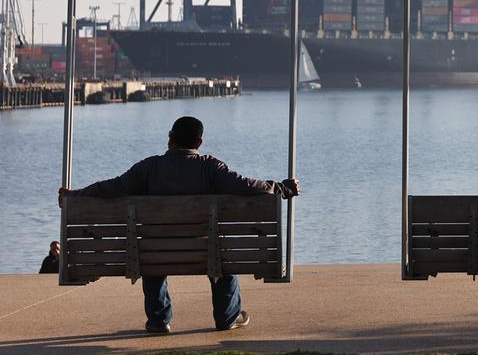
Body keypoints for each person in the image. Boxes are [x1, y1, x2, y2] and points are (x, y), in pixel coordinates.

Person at [59, 115, 300, 335]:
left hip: (157, 253)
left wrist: (75, 195)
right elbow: (247, 186)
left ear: (170, 139)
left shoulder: (149, 167)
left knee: (150, 251)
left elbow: (111, 188)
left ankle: (159, 320)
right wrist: (282, 188)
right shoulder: (210, 167)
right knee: (222, 255)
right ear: (200, 142)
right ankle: (227, 316)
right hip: (206, 251)